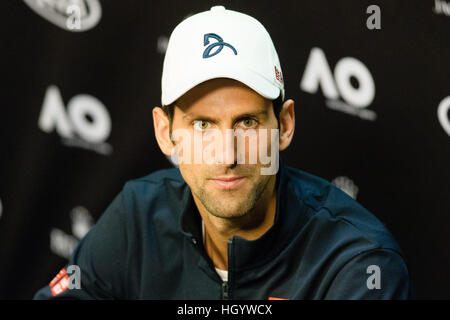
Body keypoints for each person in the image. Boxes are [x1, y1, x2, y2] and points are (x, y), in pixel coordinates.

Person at [34, 6, 412, 300]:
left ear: (285, 125)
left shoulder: (356, 261)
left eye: (246, 122)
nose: (227, 154)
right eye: (202, 125)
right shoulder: (140, 215)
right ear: (166, 134)